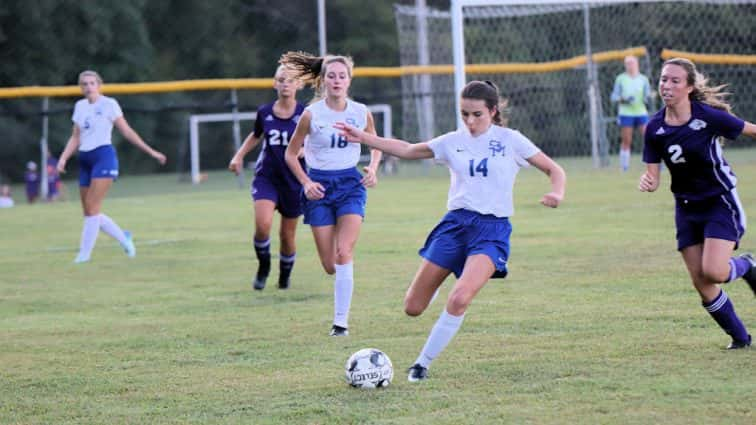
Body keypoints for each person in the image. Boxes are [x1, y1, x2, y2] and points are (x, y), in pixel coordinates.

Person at [336, 80, 566, 381]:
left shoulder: (511, 140)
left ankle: (422, 363)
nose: (470, 121)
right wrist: (365, 137)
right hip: (455, 226)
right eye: (464, 114)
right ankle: (438, 283)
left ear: (493, 111)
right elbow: (406, 149)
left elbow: (554, 170)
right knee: (413, 307)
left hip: (492, 231)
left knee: (459, 298)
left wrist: (557, 193)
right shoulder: (452, 141)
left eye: (477, 114)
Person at [639, 57, 756, 349]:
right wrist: (648, 182)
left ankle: (750, 266)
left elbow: (751, 130)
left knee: (714, 271)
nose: (666, 85)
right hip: (686, 209)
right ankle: (740, 339)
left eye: (675, 80)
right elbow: (652, 176)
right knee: (702, 284)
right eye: (664, 79)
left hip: (719, 202)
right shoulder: (654, 128)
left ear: (689, 87)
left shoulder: (708, 117)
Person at [280, 51, 383, 337]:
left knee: (344, 251)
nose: (336, 80)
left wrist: (373, 168)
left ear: (349, 80)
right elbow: (290, 155)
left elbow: (375, 144)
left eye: (342, 76)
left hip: (351, 185)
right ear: (323, 80)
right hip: (319, 188)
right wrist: (305, 183)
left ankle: (341, 324)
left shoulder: (361, 112)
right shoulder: (311, 115)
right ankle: (342, 274)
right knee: (330, 265)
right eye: (331, 76)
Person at [57, 70, 167, 263]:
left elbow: (127, 131)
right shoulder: (80, 106)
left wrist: (151, 152)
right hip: (85, 159)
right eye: (84, 84)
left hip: (104, 157)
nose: (88, 87)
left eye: (92, 83)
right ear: (80, 87)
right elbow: (75, 136)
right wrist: (63, 158)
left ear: (99, 85)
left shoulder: (109, 104)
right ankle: (124, 238)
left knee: (93, 208)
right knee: (89, 212)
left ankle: (84, 256)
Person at [228, 65, 305, 290]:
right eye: (281, 80)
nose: (286, 84)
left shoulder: (305, 114)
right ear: (274, 83)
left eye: (291, 80)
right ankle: (263, 267)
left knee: (287, 235)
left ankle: (284, 278)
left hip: (294, 181)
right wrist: (239, 156)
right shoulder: (265, 112)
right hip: (267, 177)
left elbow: (315, 140)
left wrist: (305, 151)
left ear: (299, 85)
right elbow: (256, 135)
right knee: (263, 225)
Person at [611, 55, 652, 172]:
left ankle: (654, 163)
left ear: (637, 64)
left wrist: (647, 98)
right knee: (627, 140)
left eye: (631, 63)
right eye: (627, 64)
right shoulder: (620, 79)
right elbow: (614, 96)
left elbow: (647, 95)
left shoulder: (643, 79)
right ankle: (624, 167)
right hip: (626, 113)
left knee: (648, 138)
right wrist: (623, 99)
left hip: (641, 112)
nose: (629, 66)